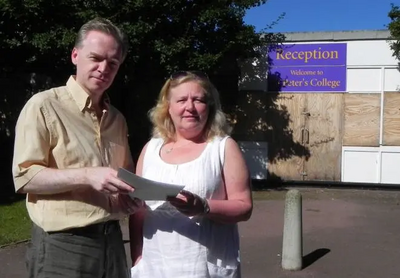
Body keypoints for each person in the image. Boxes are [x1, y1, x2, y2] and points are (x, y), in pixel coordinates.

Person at [12, 17, 141, 278]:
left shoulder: (117, 119)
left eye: (113, 63)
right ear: (75, 55)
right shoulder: (44, 106)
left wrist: (127, 199)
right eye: (96, 58)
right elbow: (25, 177)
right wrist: (87, 175)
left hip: (113, 241)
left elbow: (121, 178)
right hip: (63, 246)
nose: (104, 68)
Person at [129, 71, 253, 278]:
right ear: (168, 107)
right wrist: (137, 258)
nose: (190, 107)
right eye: (181, 100)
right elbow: (138, 212)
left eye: (198, 100)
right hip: (154, 267)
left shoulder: (223, 147)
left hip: (205, 268)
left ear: (209, 107)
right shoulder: (150, 148)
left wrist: (204, 206)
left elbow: (244, 207)